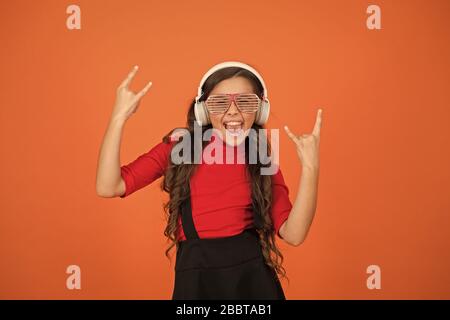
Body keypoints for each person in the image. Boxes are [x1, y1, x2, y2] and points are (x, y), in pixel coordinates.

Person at [96, 61, 322, 299]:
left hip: (253, 283)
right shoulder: (179, 147)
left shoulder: (261, 159)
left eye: (245, 101)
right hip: (196, 282)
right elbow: (108, 186)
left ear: (260, 110)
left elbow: (294, 234)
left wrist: (311, 168)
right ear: (202, 111)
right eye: (219, 102)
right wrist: (118, 118)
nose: (233, 111)